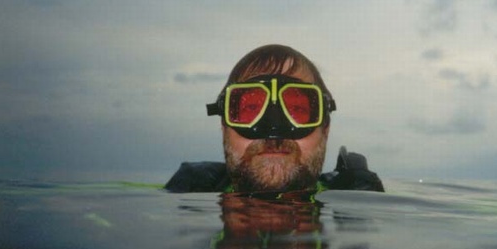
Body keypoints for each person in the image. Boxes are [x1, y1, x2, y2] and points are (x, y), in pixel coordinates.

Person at [165, 44, 384, 194]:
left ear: (325, 128)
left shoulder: (359, 203)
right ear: (224, 126)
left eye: (297, 109)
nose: (273, 129)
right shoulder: (187, 192)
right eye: (251, 108)